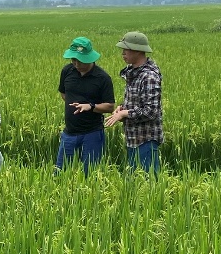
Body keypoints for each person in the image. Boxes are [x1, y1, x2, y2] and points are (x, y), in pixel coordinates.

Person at [105, 31, 163, 174]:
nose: (123, 53)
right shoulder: (133, 73)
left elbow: (151, 111)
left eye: (126, 50)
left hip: (145, 139)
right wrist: (122, 109)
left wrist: (125, 113)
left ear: (138, 51)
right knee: (134, 184)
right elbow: (137, 103)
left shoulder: (148, 76)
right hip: (133, 138)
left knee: (146, 184)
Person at [56, 36, 116, 172]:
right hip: (69, 133)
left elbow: (110, 106)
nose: (76, 64)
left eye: (80, 60)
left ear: (89, 58)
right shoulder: (67, 71)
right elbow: (64, 94)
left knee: (90, 174)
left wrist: (90, 107)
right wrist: (75, 105)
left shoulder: (102, 78)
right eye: (73, 60)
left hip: (92, 133)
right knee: (60, 172)